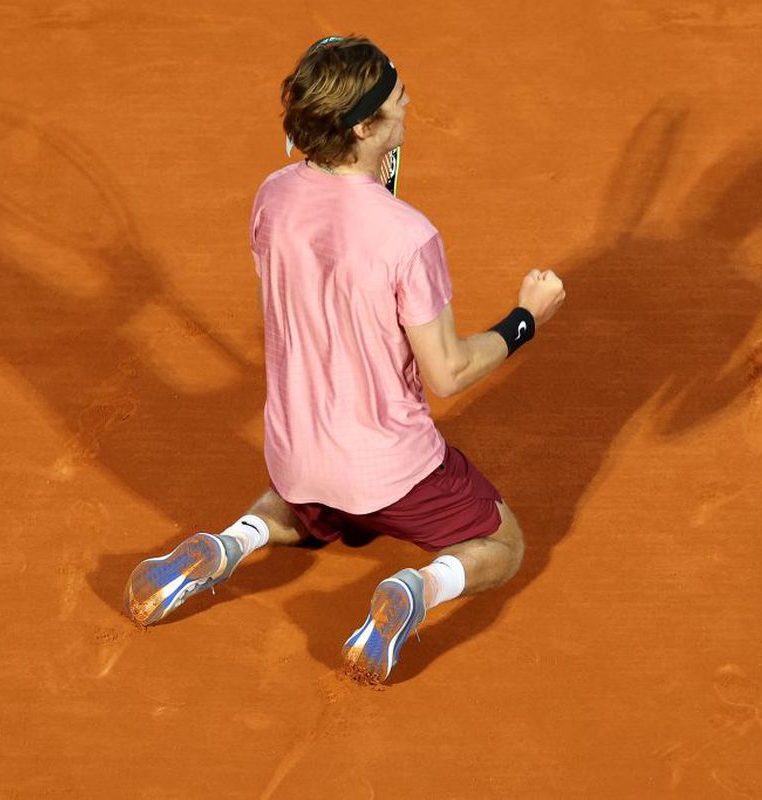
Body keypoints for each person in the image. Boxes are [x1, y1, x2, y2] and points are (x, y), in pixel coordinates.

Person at [124, 35, 566, 683]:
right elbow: (449, 372)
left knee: (307, 504)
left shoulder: (271, 198)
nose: (408, 101)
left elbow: (294, 304)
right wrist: (525, 318)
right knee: (505, 544)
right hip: (392, 473)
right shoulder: (409, 237)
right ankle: (416, 590)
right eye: (395, 97)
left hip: (296, 456)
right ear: (363, 125)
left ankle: (231, 542)